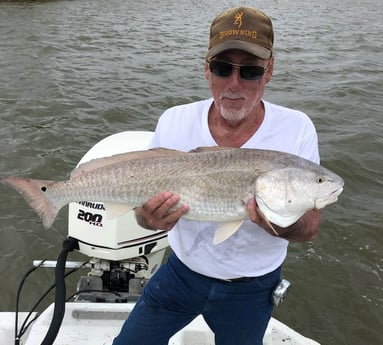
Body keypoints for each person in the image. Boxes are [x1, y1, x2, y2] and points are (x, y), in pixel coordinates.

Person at [113, 6, 321, 345]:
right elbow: (142, 212)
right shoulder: (174, 121)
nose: (234, 85)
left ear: (269, 70)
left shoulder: (297, 130)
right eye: (223, 68)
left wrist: (278, 222)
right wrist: (149, 219)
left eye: (250, 71)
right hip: (181, 273)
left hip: (252, 286)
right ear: (207, 69)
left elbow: (310, 224)